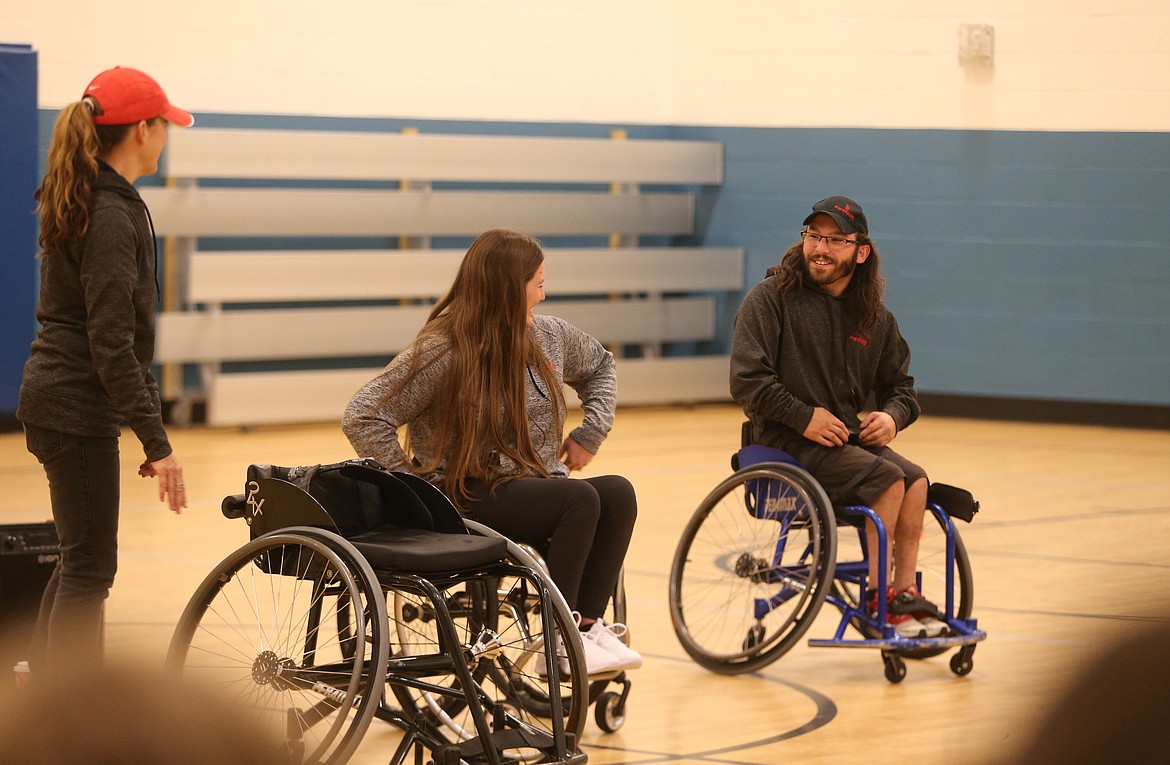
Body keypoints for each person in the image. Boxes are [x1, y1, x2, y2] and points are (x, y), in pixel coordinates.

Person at [343, 228, 642, 675]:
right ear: (506, 290)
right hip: (463, 489)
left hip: (530, 483)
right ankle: (557, 641)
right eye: (538, 283)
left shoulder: (549, 336)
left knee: (618, 493)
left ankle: (585, 625)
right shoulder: (445, 349)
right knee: (579, 501)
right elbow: (364, 415)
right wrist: (410, 487)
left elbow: (601, 366)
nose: (543, 295)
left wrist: (589, 433)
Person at [16, 67, 193, 676]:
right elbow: (111, 345)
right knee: (90, 570)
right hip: (72, 408)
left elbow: (119, 345)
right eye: (164, 124)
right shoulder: (111, 212)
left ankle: (44, 701)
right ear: (142, 130)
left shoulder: (94, 195)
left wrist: (144, 426)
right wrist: (158, 441)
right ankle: (69, 721)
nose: (169, 135)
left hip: (58, 402)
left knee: (76, 561)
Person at [730, 195, 946, 638]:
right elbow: (747, 381)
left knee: (917, 479)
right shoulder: (769, 299)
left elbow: (902, 389)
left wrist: (891, 417)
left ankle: (902, 593)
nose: (820, 249)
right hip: (781, 443)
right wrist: (803, 416)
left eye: (835, 241)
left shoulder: (874, 319)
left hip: (842, 444)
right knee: (886, 481)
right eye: (813, 236)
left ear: (860, 251)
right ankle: (878, 597)